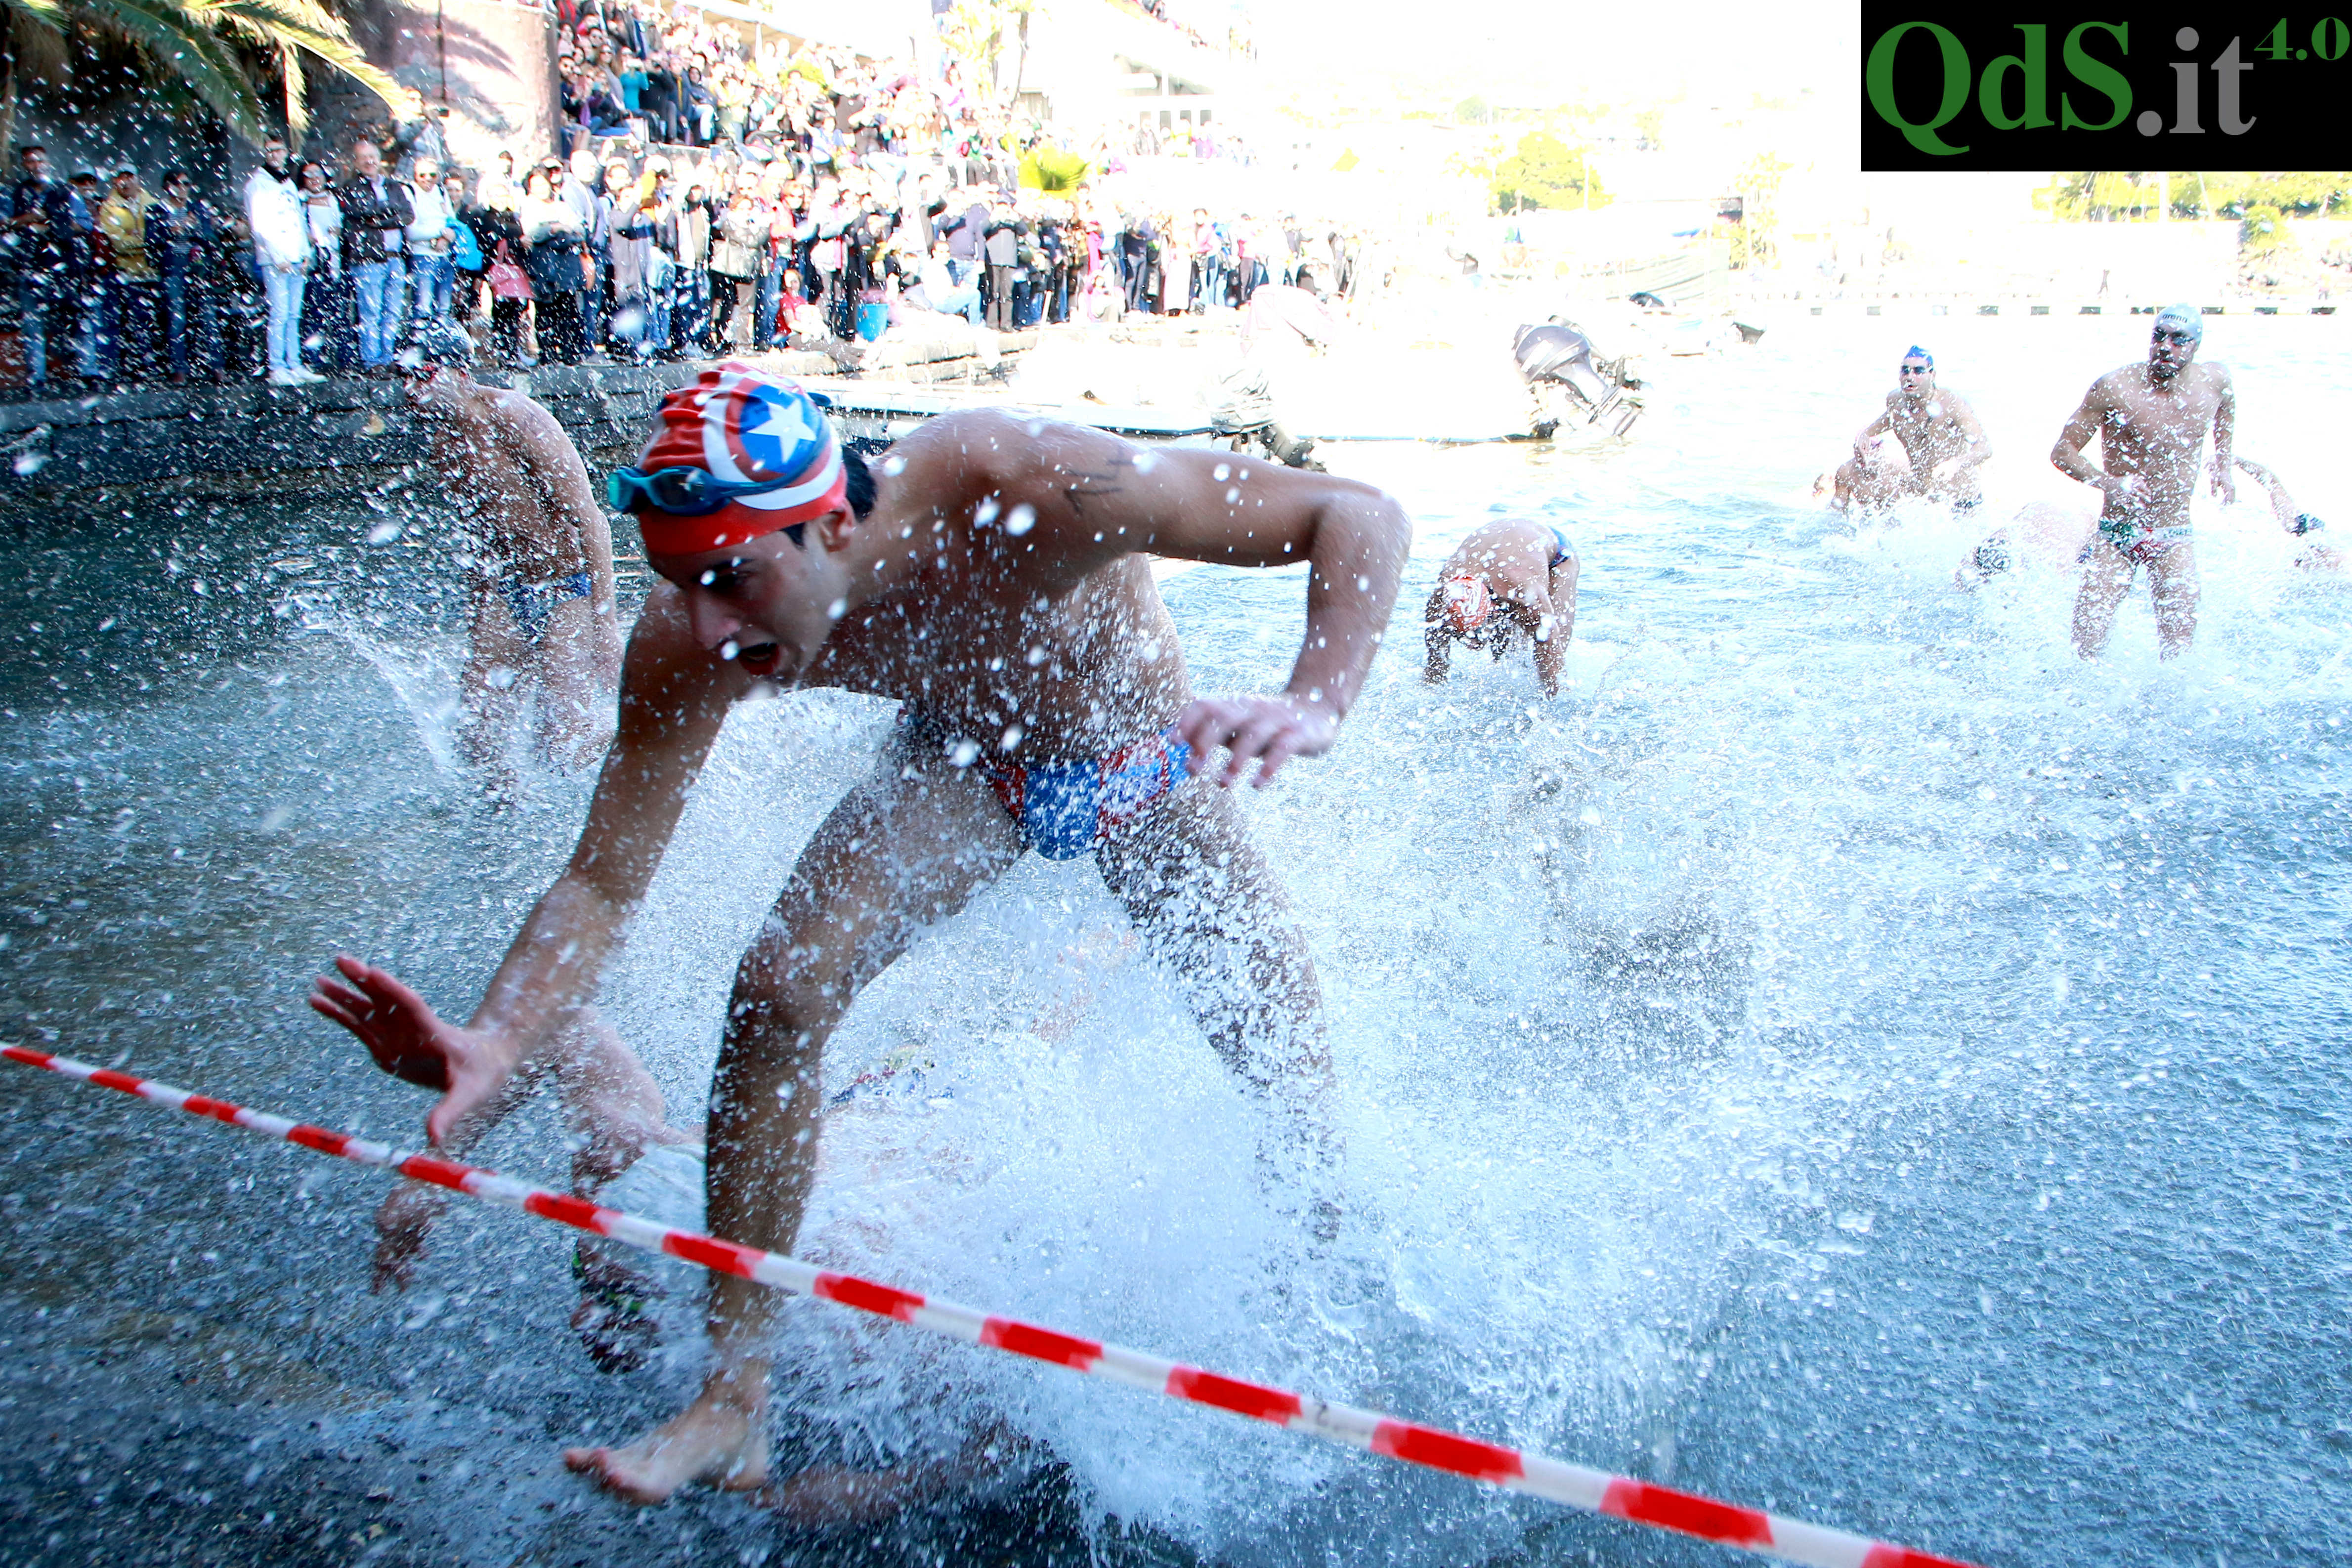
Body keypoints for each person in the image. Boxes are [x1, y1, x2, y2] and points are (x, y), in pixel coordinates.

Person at [308, 364, 1411, 1506]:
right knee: (778, 989)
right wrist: (496, 1042)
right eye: (680, 584)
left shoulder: (1020, 484)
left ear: (831, 522)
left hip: (1143, 759)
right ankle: (734, 1403)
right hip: (962, 767)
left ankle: (1332, 1292)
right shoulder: (693, 630)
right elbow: (599, 880)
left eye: (731, 580)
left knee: (1287, 1087)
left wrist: (1315, 696)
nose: (705, 626)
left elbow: (1354, 513)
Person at [389, 319, 624, 793]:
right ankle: (504, 825)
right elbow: (481, 536)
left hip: (566, 589)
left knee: (566, 742)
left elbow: (591, 520)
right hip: (507, 589)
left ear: (457, 372)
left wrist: (607, 625)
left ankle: (649, 731)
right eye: (403, 376)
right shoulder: (446, 444)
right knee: (477, 738)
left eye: (421, 374)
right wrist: (482, 612)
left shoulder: (518, 417)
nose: (410, 389)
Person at [2051, 306, 2235, 659]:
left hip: (2173, 534)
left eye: (2178, 340)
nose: (2165, 347)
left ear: (2196, 345)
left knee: (2178, 654)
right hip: (2117, 533)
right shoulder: (2115, 388)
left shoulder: (2214, 381)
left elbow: (2227, 409)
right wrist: (2109, 482)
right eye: (2158, 337)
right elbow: (2062, 451)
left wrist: (2223, 464)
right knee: (2084, 648)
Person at [1422, 518, 1580, 696]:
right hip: (1508, 548)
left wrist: (1555, 695)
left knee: (1553, 660)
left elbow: (1551, 647)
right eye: (1460, 636)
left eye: (1476, 634)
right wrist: (1435, 673)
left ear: (1493, 609)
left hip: (1557, 556)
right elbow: (1434, 656)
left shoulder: (1524, 593)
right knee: (1504, 655)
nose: (1473, 645)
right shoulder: (1445, 590)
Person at [1849, 346, 1992, 510]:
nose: (1910, 377)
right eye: (1905, 371)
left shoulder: (1951, 403)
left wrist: (1956, 463)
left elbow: (1985, 448)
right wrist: (1865, 435)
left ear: (1932, 375)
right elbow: (1890, 418)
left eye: (1918, 371)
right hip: (1925, 502)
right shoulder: (1896, 402)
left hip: (1962, 499)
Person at [339, 138, 414, 369]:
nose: (369, 162)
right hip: (369, 258)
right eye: (364, 158)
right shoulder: (351, 187)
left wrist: (380, 218)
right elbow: (361, 212)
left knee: (392, 312)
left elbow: (408, 215)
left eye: (372, 157)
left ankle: (388, 357)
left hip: (395, 258)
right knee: (371, 312)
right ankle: (372, 361)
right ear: (356, 162)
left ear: (379, 159)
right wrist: (388, 215)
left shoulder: (394, 186)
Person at [8, 145, 76, 395]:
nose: (36, 165)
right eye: (30, 162)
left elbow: (79, 225)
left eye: (40, 161)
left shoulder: (62, 190)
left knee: (65, 317)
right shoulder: (17, 192)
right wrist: (28, 219)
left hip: (60, 264)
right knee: (33, 322)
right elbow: (6, 222)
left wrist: (49, 223)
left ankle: (74, 371)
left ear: (48, 163)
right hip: (29, 264)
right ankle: (37, 376)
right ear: (25, 165)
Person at [96, 164, 162, 384]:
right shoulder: (109, 207)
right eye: (120, 178)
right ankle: (119, 372)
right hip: (124, 273)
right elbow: (117, 243)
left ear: (137, 179)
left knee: (146, 323)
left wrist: (136, 237)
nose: (125, 182)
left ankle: (146, 368)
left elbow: (159, 239)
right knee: (119, 323)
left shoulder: (151, 202)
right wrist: (143, 240)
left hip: (150, 274)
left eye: (129, 177)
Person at [2232, 456, 2344, 572]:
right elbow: (2272, 482)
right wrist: (2235, 461)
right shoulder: (2301, 535)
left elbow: (2272, 482)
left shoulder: (2309, 543)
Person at [405, 156, 458, 326]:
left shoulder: (441, 192)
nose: (428, 179)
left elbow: (453, 222)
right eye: (423, 175)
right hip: (423, 256)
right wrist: (440, 234)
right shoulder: (409, 191)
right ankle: (422, 347)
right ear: (415, 175)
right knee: (423, 309)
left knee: (444, 309)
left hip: (446, 256)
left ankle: (442, 346)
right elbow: (411, 231)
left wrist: (446, 238)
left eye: (433, 175)